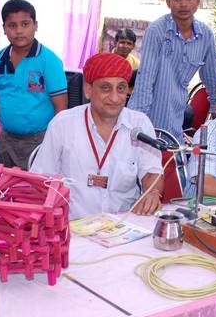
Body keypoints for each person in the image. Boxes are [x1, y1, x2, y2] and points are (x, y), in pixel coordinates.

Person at [31, 53, 163, 220]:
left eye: (121, 88)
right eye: (106, 88)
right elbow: (41, 181)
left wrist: (153, 193)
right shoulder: (63, 124)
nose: (114, 98)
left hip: (123, 224)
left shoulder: (139, 124)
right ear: (88, 89)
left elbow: (152, 173)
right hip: (73, 225)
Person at [0, 0, 68, 170]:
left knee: (34, 186)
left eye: (25, 24)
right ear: (4, 29)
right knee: (4, 185)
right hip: (6, 140)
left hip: (40, 142)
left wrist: (53, 145)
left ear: (35, 25)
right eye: (12, 25)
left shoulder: (49, 60)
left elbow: (61, 108)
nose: (19, 31)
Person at [128, 0, 216, 143]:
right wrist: (138, 125)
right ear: (168, 2)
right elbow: (145, 80)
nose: (183, 4)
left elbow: (213, 79)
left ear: (198, 0)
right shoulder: (157, 31)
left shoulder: (205, 35)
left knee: (172, 156)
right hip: (147, 119)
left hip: (176, 118)